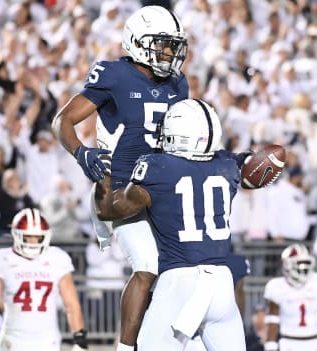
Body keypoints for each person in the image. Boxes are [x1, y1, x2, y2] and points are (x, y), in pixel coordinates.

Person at [52, 6, 189, 351]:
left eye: (172, 45)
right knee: (147, 266)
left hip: (164, 190)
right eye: (162, 44)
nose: (169, 53)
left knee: (183, 272)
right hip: (122, 191)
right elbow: (62, 121)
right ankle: (125, 348)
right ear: (139, 43)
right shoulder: (114, 75)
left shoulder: (177, 82)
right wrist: (82, 153)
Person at [94, 99, 245, 350]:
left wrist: (105, 168)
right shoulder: (226, 166)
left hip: (180, 282)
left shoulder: (159, 168)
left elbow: (109, 210)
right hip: (221, 284)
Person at [0, 208, 87, 351]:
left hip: (47, 340)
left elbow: (71, 304)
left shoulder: (57, 258)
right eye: (28, 236)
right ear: (16, 235)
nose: (33, 241)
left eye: (38, 237)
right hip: (13, 340)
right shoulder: (1, 259)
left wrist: (80, 338)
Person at [264, 244, 317, 351]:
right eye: (299, 263)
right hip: (288, 343)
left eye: (306, 263)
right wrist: (270, 347)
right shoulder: (276, 286)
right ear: (287, 264)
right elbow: (273, 321)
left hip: (315, 342)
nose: (303, 267)